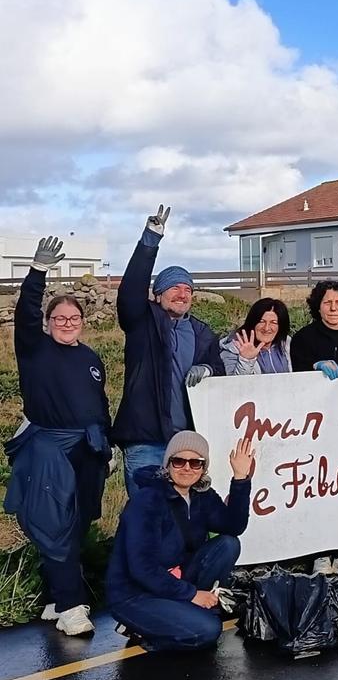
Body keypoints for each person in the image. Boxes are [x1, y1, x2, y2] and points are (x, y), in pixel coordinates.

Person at [3, 237, 112, 636]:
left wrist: (108, 444)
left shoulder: (90, 358)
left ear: (82, 322)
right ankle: (70, 607)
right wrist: (36, 273)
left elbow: (98, 404)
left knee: (78, 522)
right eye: (60, 319)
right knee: (54, 523)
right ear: (49, 324)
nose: (67, 324)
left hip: (88, 446)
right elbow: (26, 313)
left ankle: (54, 597)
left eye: (74, 319)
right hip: (48, 445)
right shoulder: (34, 349)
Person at [112, 205, 224, 500]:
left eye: (187, 289)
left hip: (186, 443)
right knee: (145, 515)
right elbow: (129, 292)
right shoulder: (141, 322)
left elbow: (219, 368)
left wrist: (210, 370)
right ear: (157, 294)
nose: (182, 293)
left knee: (183, 517)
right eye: (173, 287)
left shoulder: (202, 333)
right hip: (145, 440)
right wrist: (150, 240)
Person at [106, 431, 255, 652]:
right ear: (168, 464)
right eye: (179, 461)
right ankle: (147, 630)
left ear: (204, 468)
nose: (187, 468)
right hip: (135, 593)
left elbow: (233, 527)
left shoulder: (202, 495)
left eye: (196, 463)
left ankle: (188, 611)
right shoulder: (147, 501)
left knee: (228, 544)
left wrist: (241, 479)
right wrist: (192, 594)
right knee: (207, 631)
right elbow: (141, 568)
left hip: (174, 579)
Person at [289, 280, 338, 379]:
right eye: (327, 303)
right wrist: (315, 366)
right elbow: (297, 375)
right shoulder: (302, 338)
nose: (333, 308)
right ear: (318, 307)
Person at [219, 298, 292, 375]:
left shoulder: (287, 344)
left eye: (273, 323)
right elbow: (233, 384)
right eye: (261, 321)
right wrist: (245, 360)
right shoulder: (233, 348)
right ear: (253, 322)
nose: (266, 328)